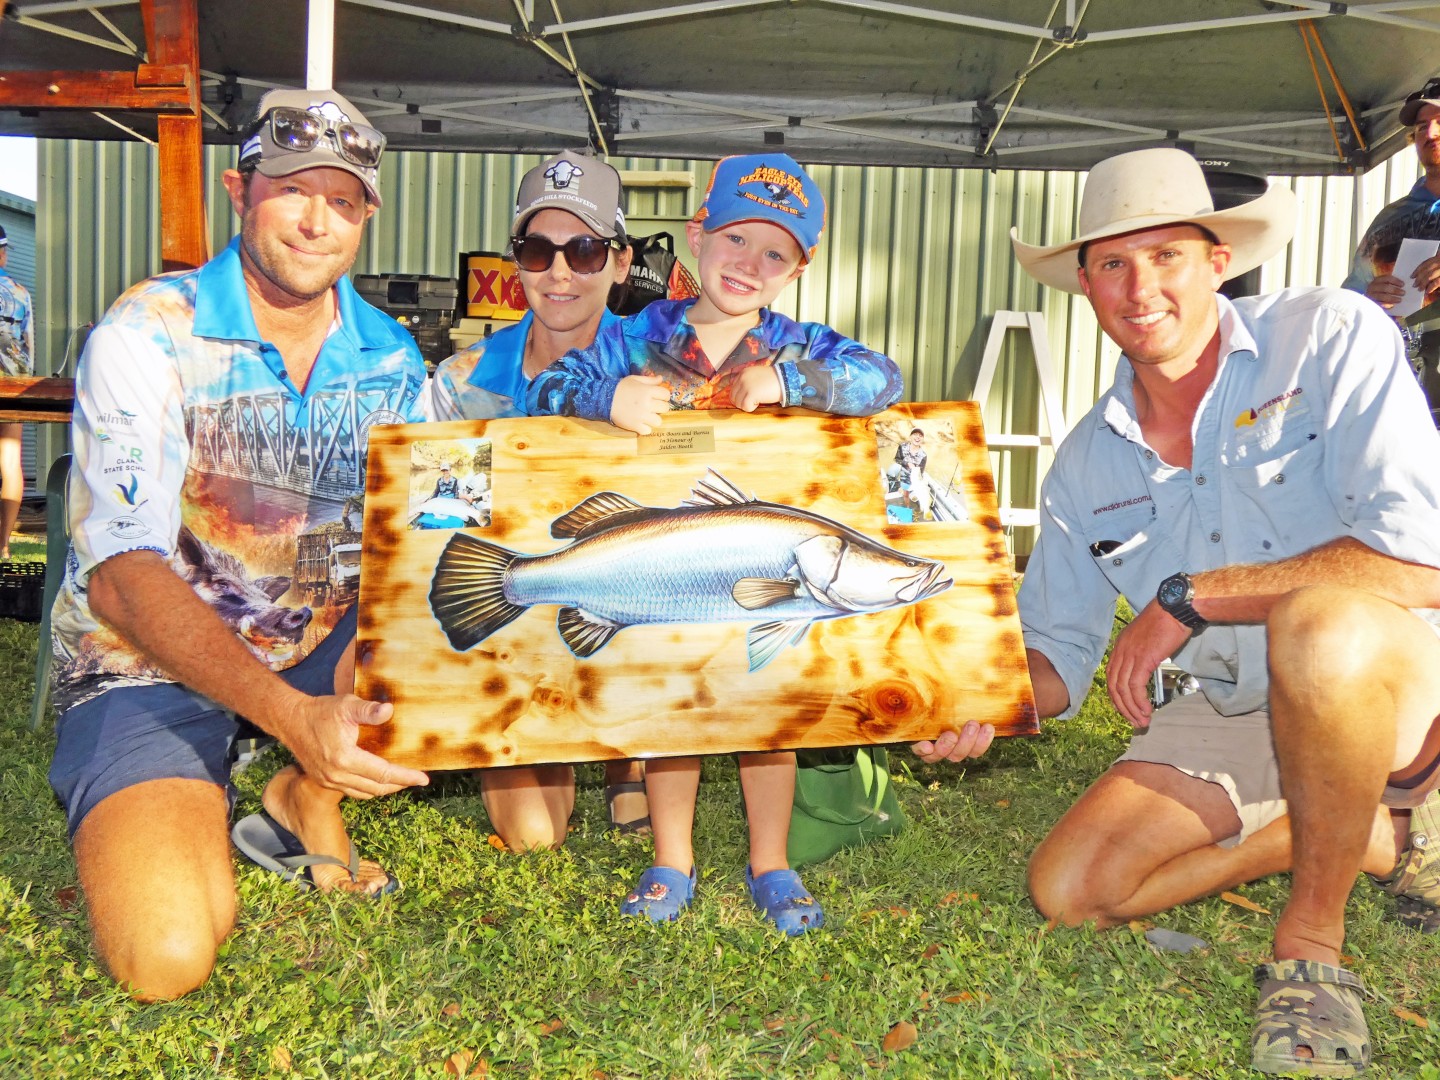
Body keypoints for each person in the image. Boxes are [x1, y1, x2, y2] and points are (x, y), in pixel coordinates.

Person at [923, 146, 1440, 1076]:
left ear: (1217, 260)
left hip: (1387, 673)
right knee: (1071, 889)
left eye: (1167, 255)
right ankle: (1354, 830)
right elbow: (1057, 652)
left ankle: (1311, 948)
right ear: (1085, 284)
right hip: (1234, 703)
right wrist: (967, 702)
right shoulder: (1086, 462)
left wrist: (1191, 598)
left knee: (1319, 625)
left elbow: (1420, 557)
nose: (1141, 288)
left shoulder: (1329, 334)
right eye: (1112, 264)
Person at [45, 88, 431, 1001]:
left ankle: (303, 797)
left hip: (316, 641)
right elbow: (121, 578)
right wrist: (292, 717)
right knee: (167, 956)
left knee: (455, 609)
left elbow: (419, 532)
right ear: (238, 191)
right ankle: (220, 767)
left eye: (343, 201)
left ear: (366, 217)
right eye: (291, 189)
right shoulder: (148, 332)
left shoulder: (391, 356)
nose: (316, 222)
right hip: (146, 660)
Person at [527, 152, 904, 936]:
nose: (749, 263)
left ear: (799, 268)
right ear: (698, 236)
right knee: (678, 706)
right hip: (669, 572)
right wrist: (605, 395)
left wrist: (795, 384)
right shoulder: (635, 336)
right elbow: (547, 390)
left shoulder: (801, 345)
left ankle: (772, 861)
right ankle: (672, 857)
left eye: (775, 253)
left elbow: (884, 379)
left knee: (769, 716)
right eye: (736, 239)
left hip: (768, 570)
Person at [421, 150, 649, 847]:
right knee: (532, 837)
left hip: (631, 623)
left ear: (618, 262)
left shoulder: (665, 371)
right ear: (514, 262)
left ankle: (628, 757)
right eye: (537, 250)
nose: (559, 272)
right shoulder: (463, 384)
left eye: (584, 251)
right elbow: (439, 525)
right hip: (516, 623)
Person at [1342, 77, 1440, 415]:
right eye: (1422, 126)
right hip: (1400, 403)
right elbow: (1348, 301)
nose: (1430, 133)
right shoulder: (1389, 219)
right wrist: (1368, 299)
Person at [0, 226, 34, 559]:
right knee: (10, 461)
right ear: (3, 253)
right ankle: (5, 545)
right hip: (13, 385)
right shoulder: (20, 293)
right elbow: (28, 345)